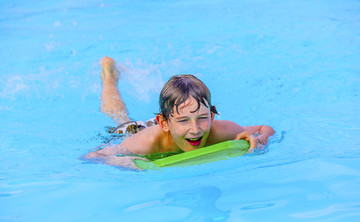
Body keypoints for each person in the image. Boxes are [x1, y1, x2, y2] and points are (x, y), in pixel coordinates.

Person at [83, 57, 275, 169]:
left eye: (202, 118)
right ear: (164, 122)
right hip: (138, 131)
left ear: (211, 116)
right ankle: (109, 76)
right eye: (185, 120)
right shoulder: (145, 143)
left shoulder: (220, 130)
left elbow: (263, 128)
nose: (195, 129)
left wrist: (259, 139)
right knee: (120, 117)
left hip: (170, 122)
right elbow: (92, 156)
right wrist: (124, 161)